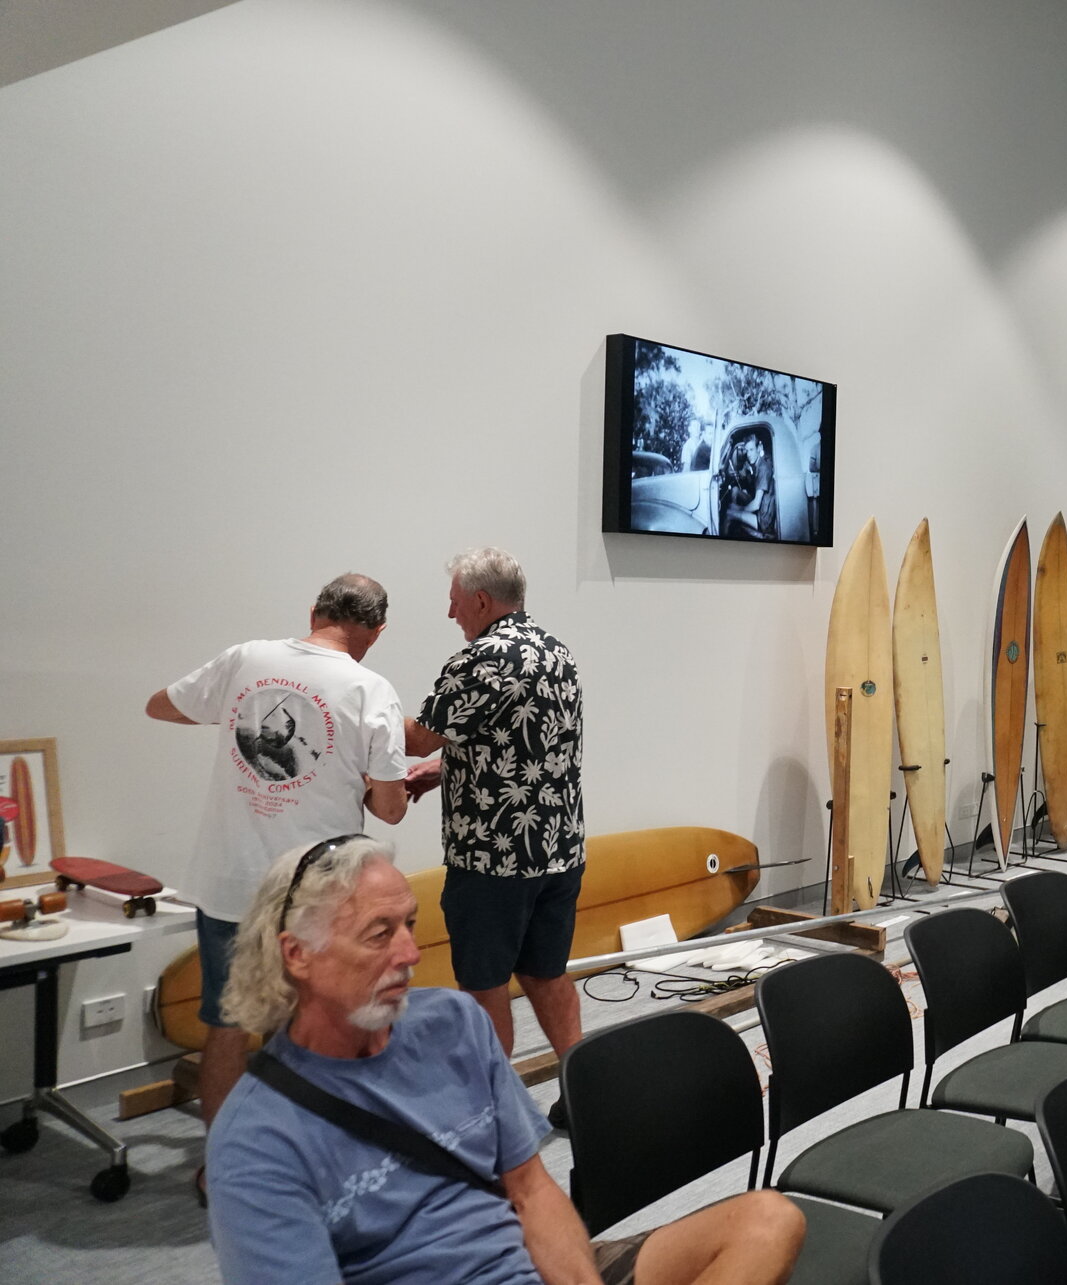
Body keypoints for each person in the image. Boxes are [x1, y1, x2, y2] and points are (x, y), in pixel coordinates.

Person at [207, 836, 803, 1285]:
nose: (410, 953)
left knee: (768, 1222)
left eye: (409, 925)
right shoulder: (257, 1139)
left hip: (529, 1264)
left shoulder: (452, 1023)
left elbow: (532, 1191)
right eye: (378, 934)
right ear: (297, 954)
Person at [145, 572, 408, 1164]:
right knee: (309, 1024)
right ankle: (298, 1159)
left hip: (229, 881)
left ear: (314, 612)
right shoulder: (370, 689)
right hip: (315, 892)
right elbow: (390, 809)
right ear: (377, 631)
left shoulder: (247, 659)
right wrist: (363, 783)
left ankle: (223, 1168)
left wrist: (235, 711)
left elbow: (161, 706)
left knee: (226, 1024)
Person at [402, 549, 585, 1114]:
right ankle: (586, 1097)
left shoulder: (478, 660)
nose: (450, 613)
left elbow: (417, 738)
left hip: (493, 861)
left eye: (455, 602)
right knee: (546, 973)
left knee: (484, 984)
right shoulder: (557, 651)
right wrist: (448, 768)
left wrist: (351, 700)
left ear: (481, 600)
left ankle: (495, 1113)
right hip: (558, 850)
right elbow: (521, 742)